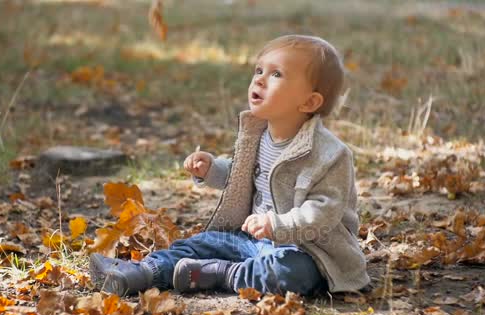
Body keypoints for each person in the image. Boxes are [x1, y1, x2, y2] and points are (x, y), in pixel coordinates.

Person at [89, 34, 370, 296]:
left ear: (309, 101)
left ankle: (223, 274)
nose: (259, 81)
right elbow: (243, 173)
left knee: (293, 274)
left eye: (276, 74)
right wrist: (212, 169)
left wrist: (277, 224)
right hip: (250, 239)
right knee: (202, 242)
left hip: (307, 249)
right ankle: (140, 273)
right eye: (258, 71)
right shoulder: (259, 133)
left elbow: (325, 211)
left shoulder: (331, 154)